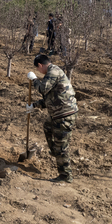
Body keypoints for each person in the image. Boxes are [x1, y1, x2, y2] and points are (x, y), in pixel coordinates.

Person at [27, 54, 79, 183]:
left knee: (61, 146)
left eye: (38, 69)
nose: (39, 72)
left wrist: (34, 80)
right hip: (59, 113)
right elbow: (51, 98)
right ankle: (55, 151)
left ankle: (65, 176)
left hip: (64, 114)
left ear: (40, 65)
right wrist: (33, 105)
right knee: (47, 126)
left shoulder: (53, 71)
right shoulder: (52, 73)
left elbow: (43, 89)